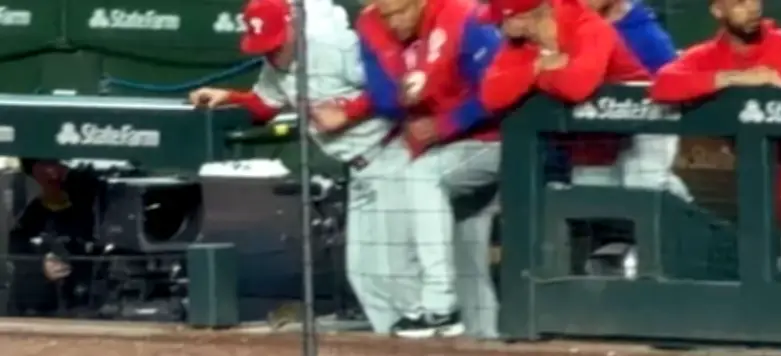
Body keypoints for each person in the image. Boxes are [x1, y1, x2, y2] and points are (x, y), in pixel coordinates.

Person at [189, 0, 415, 334]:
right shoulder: (276, 62)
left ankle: (426, 344)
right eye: (265, 46)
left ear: (293, 26)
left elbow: (394, 87)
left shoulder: (335, 47)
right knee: (365, 274)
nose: (272, 52)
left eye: (277, 42)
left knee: (395, 268)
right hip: (362, 167)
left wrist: (348, 112)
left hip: (392, 153)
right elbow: (267, 104)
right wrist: (230, 96)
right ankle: (400, 347)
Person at [352, 0, 503, 338]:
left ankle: (438, 305)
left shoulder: (464, 17)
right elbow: (381, 95)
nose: (392, 22)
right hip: (444, 152)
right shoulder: (372, 24)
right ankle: (483, 339)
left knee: (423, 176)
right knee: (465, 253)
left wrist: (446, 123)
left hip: (494, 141)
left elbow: (499, 90)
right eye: (385, 13)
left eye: (400, 11)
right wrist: (401, 97)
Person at [649, 0, 781, 285]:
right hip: (751, 191)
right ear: (718, 10)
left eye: (755, 1)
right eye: (740, 3)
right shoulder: (709, 55)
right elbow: (663, 85)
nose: (754, 8)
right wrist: (734, 78)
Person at [480, 0, 648, 186]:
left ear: (523, 18)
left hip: (645, 124)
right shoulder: (520, 44)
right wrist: (538, 67)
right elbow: (490, 96)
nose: (497, 27)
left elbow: (577, 87)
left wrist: (531, 78)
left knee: (647, 190)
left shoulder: (587, 26)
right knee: (591, 201)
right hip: (593, 141)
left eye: (502, 21)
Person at [586, 0, 692, 201]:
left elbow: (675, 84)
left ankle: (690, 225)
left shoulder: (648, 36)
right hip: (596, 130)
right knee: (590, 182)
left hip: (650, 123)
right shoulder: (574, 24)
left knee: (644, 179)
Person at [7, 159, 98, 316]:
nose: (53, 173)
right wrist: (40, 266)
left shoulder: (89, 213)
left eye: (57, 165)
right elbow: (14, 252)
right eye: (45, 165)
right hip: (32, 310)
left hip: (83, 307)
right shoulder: (29, 215)